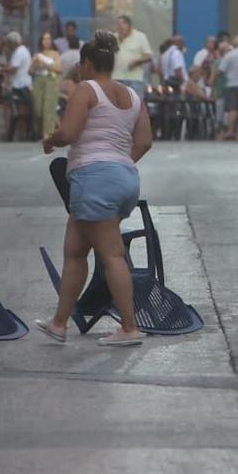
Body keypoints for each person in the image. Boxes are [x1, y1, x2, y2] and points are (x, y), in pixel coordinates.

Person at [37, 30, 153, 346]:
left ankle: (130, 327)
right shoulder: (132, 96)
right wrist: (119, 163)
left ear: (87, 63)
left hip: (93, 179)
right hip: (123, 178)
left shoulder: (86, 89)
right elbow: (145, 141)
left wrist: (51, 139)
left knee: (112, 254)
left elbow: (70, 132)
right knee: (75, 251)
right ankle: (59, 323)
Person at [31, 31, 63, 143]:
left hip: (51, 80)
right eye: (44, 39)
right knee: (38, 109)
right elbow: (30, 71)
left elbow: (59, 69)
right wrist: (35, 64)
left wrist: (46, 65)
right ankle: (46, 130)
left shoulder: (55, 54)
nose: (47, 41)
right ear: (41, 41)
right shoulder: (37, 55)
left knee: (48, 107)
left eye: (48, 38)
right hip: (39, 80)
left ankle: (47, 135)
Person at [112, 15, 155, 97]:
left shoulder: (140, 37)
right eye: (118, 26)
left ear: (129, 26)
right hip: (116, 78)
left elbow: (149, 56)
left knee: (134, 106)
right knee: (117, 107)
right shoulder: (114, 37)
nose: (120, 29)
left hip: (134, 79)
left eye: (122, 27)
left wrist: (136, 62)